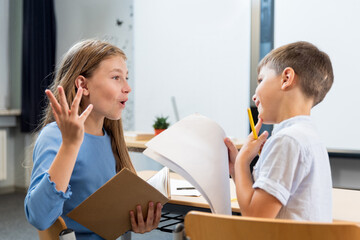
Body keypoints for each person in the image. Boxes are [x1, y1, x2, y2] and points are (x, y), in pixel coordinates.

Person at [24, 39, 163, 239]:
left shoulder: (110, 138)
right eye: (116, 77)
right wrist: (70, 146)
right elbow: (39, 217)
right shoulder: (55, 136)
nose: (127, 88)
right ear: (83, 85)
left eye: (126, 77)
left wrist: (135, 221)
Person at [225, 41, 334, 222]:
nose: (254, 96)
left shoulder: (287, 140)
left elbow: (255, 217)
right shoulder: (307, 135)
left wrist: (242, 163)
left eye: (261, 80)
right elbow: (259, 202)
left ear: (286, 78)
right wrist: (238, 171)